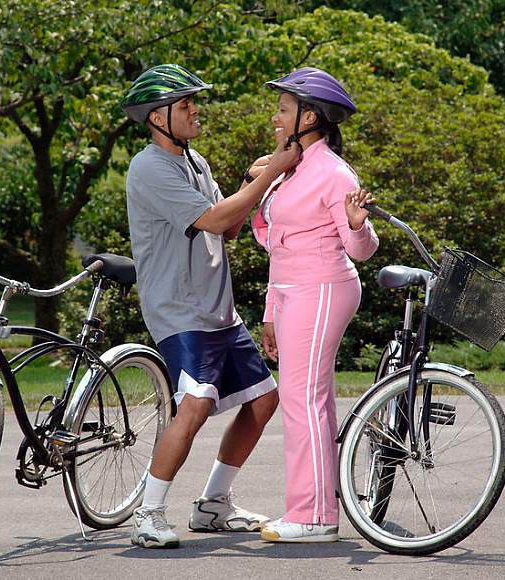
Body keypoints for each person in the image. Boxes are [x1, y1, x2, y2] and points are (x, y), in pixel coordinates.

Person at [120, 64, 299, 548]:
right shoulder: (150, 167)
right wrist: (273, 174)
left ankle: (213, 504)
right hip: (180, 311)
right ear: (157, 118)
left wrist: (252, 178)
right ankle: (149, 514)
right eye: (184, 104)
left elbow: (232, 223)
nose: (195, 109)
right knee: (196, 405)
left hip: (218, 311)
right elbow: (215, 219)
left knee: (264, 399)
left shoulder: (195, 162)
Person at [251, 67, 379, 543]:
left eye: (284, 109)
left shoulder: (331, 172)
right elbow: (278, 245)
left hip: (323, 287)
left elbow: (360, 249)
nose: (275, 117)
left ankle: (314, 516)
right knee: (309, 399)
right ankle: (316, 510)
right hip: (290, 290)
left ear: (311, 117)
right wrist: (269, 312)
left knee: (302, 399)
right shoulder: (291, 168)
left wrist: (359, 224)